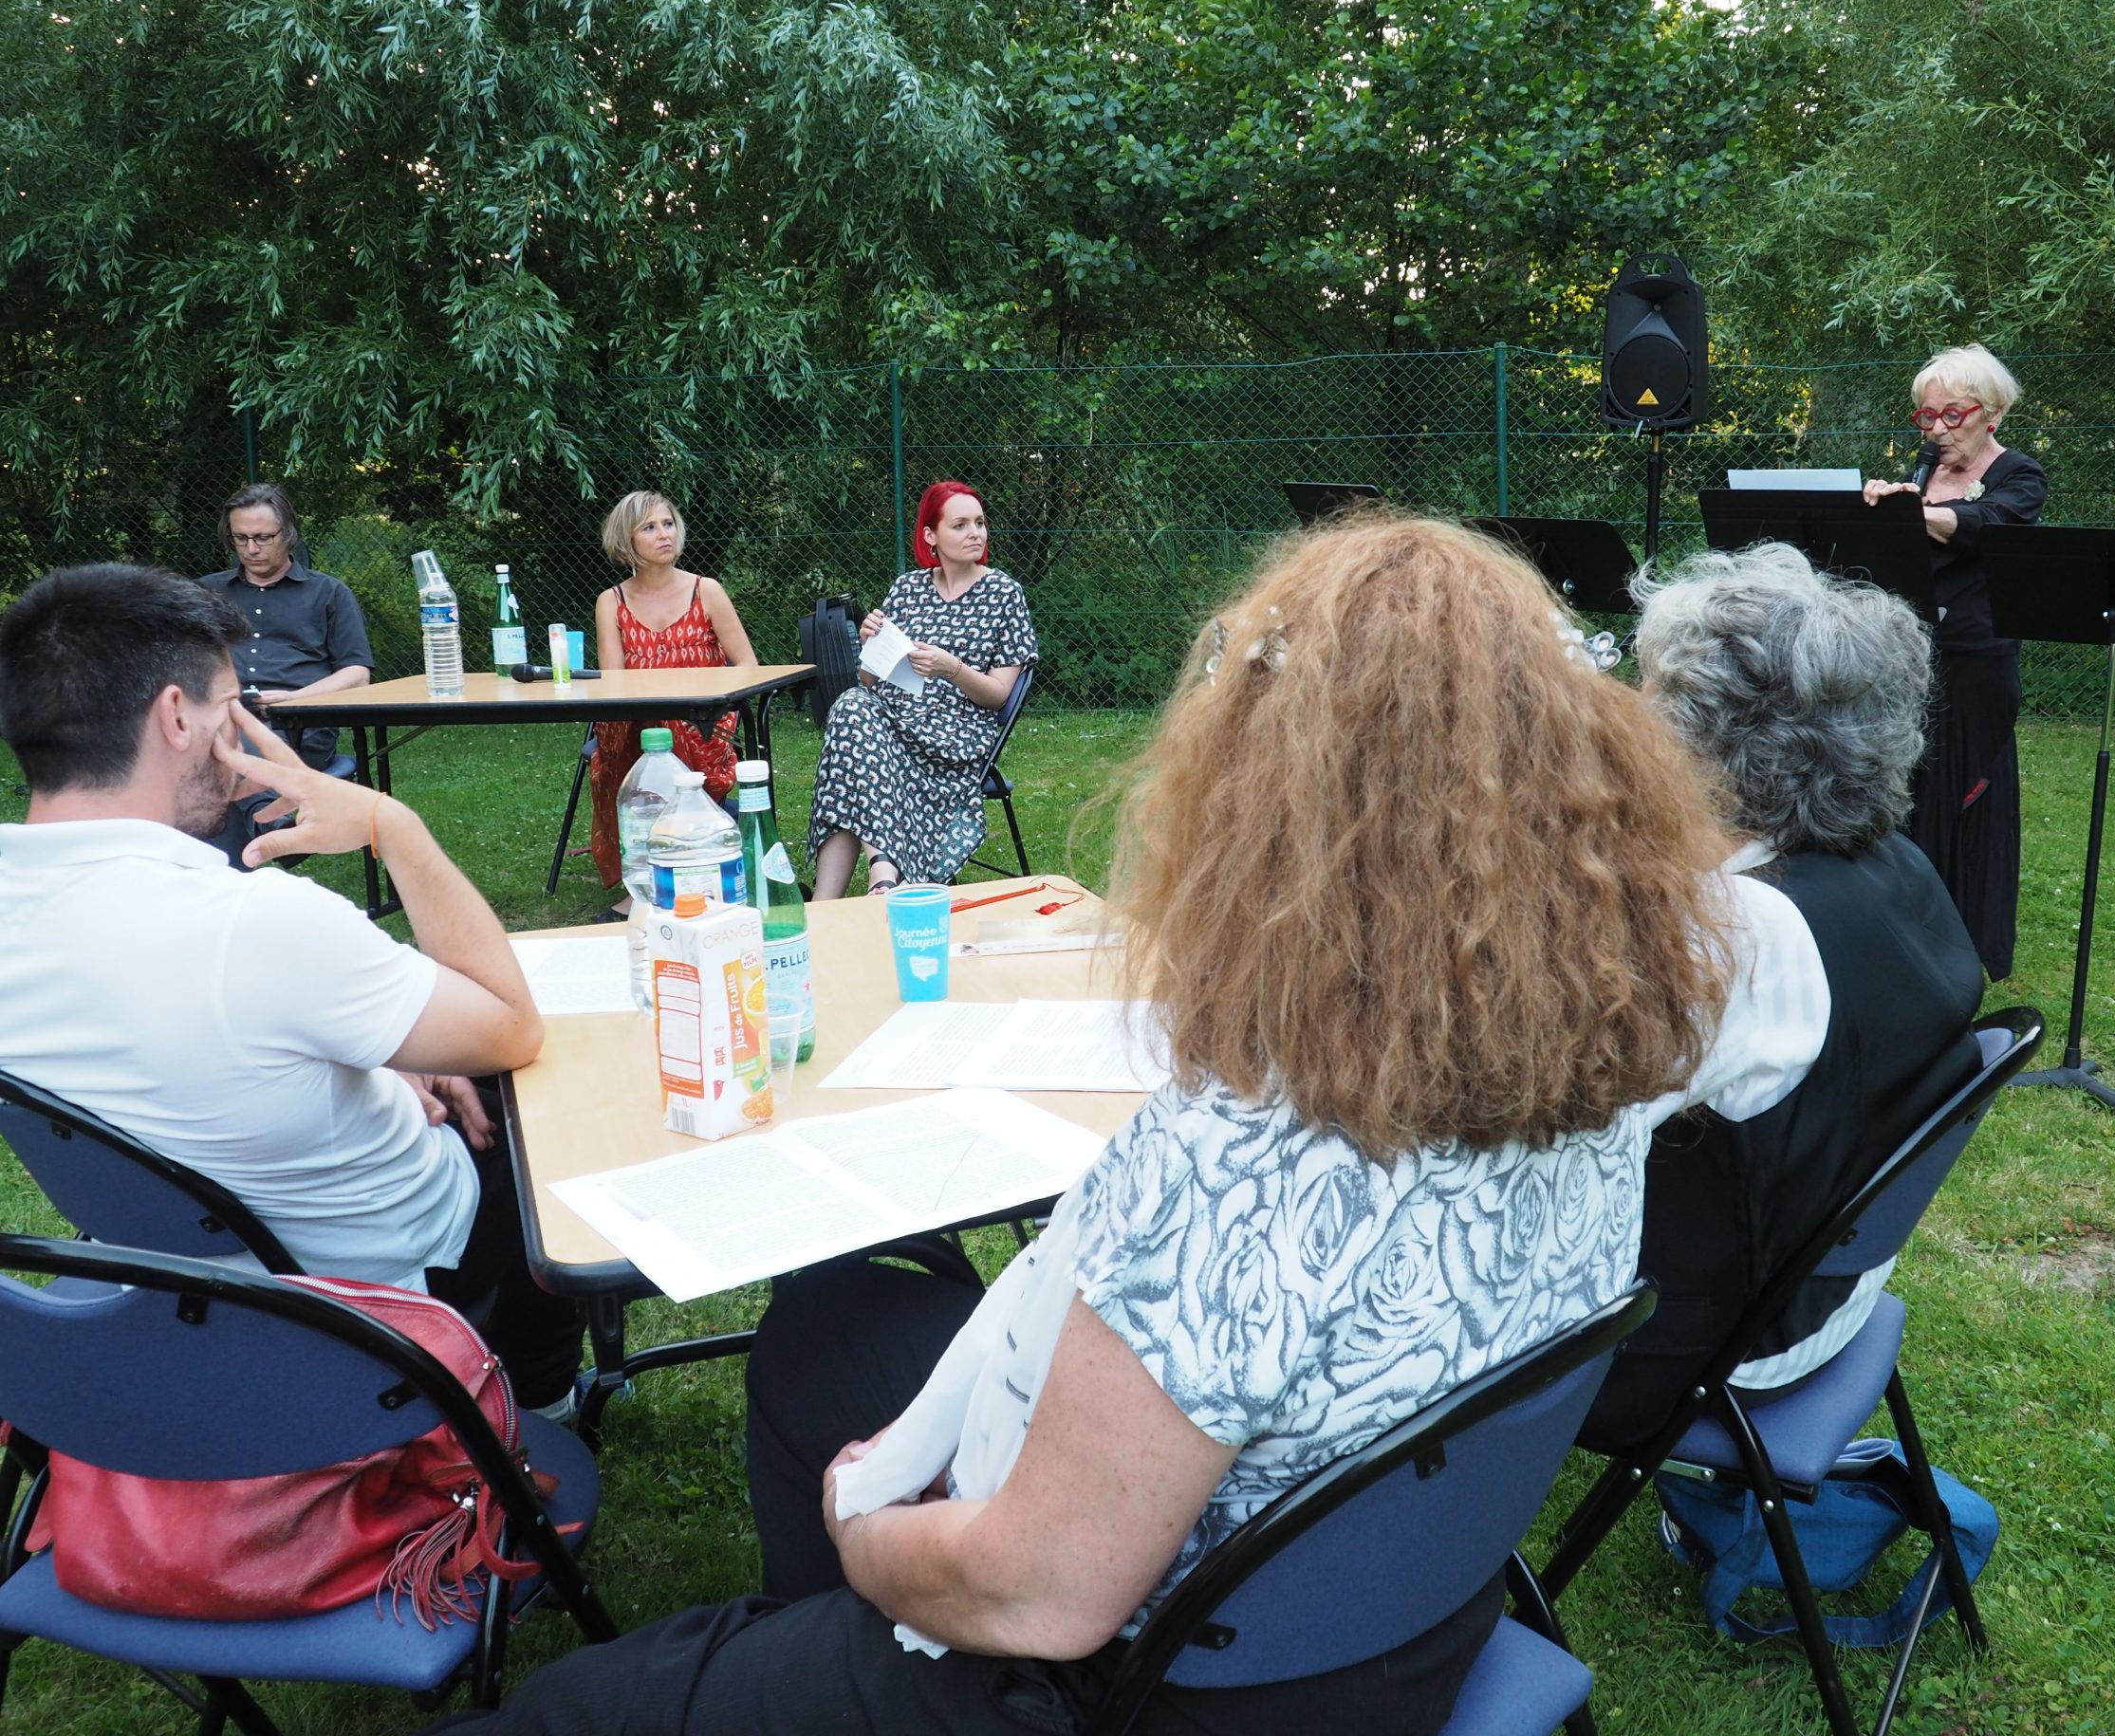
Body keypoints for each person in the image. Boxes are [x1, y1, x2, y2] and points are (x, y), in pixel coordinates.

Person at [428, 512, 1833, 1736]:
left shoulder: (1242, 1163)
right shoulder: (1626, 1056)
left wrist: (870, 1541)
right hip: (1398, 1627)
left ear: (1266, 805)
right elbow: (1758, 959)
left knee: (592, 1703)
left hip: (1150, 1685)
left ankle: (856, 1673)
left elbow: (1035, 1593)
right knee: (833, 1336)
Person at [0, 563, 584, 1415]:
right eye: (236, 705)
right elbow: (512, 1026)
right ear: (175, 717)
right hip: (377, 1282)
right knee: (537, 1088)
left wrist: (377, 1060)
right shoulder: (258, 926)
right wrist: (392, 825)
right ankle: (536, 1398)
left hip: (171, 1258)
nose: (247, 727)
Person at [1578, 545, 1986, 1451]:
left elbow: (1555, 1132)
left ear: (1705, 739)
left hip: (1709, 1349)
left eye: (1645, 689)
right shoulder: (1896, 865)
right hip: (1833, 1292)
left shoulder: (1738, 933)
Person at [1862, 343, 2046, 981]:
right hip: (1907, 659)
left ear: (1990, 413)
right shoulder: (1920, 473)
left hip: (1977, 666)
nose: (1937, 429)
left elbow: (1987, 524)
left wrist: (1918, 511)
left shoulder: (2019, 475)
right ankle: (1899, 937)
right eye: (1926, 418)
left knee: (1965, 798)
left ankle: (1966, 948)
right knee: (1903, 793)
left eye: (1951, 416)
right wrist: (1881, 510)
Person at [808, 481, 1035, 900]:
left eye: (980, 523)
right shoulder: (908, 588)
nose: (976, 533)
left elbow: (999, 695)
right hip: (893, 720)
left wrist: (953, 669)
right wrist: (870, 641)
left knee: (851, 759)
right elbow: (869, 681)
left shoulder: (1004, 594)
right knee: (852, 705)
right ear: (931, 536)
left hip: (956, 732)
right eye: (961, 524)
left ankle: (874, 878)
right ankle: (858, 891)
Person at [587, 491, 758, 917]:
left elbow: (748, 665)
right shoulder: (612, 602)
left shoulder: (708, 591)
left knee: (669, 731)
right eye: (649, 528)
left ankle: (672, 870)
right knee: (624, 741)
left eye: (667, 524)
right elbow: (614, 684)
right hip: (639, 723)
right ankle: (647, 876)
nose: (663, 534)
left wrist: (715, 706)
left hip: (705, 720)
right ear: (626, 541)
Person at [198, 482, 375, 773]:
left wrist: (294, 699)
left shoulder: (328, 593)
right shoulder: (208, 593)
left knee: (239, 757)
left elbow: (357, 675)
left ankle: (266, 819)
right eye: (240, 538)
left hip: (299, 723)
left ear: (289, 534)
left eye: (263, 538)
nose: (251, 549)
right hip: (221, 718)